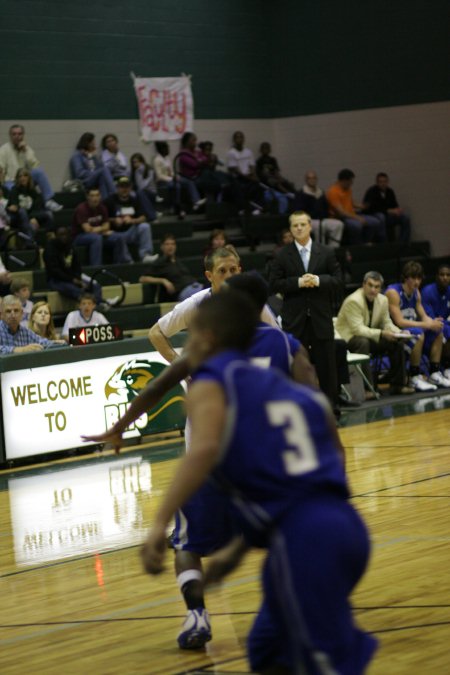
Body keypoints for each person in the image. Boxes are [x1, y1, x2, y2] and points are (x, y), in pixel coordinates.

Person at [136, 292, 377, 673]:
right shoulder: (294, 387)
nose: (191, 343)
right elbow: (330, 455)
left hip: (305, 539)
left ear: (211, 335)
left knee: (323, 660)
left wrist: (155, 526)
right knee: (265, 648)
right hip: (339, 525)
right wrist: (231, 556)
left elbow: (201, 451)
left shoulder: (218, 382)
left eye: (195, 334)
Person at [84, 274, 317, 654]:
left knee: (187, 544)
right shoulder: (284, 343)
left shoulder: (211, 346)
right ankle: (295, 610)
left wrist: (119, 427)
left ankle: (197, 614)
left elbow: (158, 386)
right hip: (268, 465)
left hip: (217, 463)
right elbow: (316, 406)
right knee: (286, 541)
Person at [269, 211, 342, 408]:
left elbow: (339, 280)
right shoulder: (282, 254)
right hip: (295, 321)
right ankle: (299, 410)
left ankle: (331, 410)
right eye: (295, 225)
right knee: (297, 367)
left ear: (310, 226)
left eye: (302, 224)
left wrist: (318, 280)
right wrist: (298, 282)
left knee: (327, 368)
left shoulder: (326, 252)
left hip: (320, 319)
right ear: (291, 229)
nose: (299, 228)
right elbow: (274, 284)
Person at [336, 271, 414, 395]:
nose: (373, 290)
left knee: (396, 342)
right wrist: (383, 334)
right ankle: (368, 388)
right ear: (363, 285)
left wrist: (399, 332)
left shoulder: (382, 300)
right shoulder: (353, 301)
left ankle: (398, 385)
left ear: (380, 288)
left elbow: (386, 322)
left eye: (376, 287)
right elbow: (358, 329)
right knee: (362, 342)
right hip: (348, 338)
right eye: (370, 285)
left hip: (370, 336)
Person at [386, 261, 450, 390]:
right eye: (413, 278)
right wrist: (425, 324)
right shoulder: (393, 292)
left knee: (438, 330)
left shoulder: (416, 293)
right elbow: (399, 322)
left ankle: (434, 373)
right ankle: (414, 377)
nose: (417, 282)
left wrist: (432, 323)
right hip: (394, 332)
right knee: (418, 333)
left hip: (411, 330)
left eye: (419, 278)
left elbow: (423, 315)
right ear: (405, 277)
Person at [0, 124, 62, 211]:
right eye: (14, 134)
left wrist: (25, 151)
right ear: (10, 136)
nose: (17, 136)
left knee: (39, 172)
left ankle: (48, 201)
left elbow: (35, 165)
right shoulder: (4, 150)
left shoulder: (27, 149)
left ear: (23, 135)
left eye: (19, 134)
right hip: (11, 181)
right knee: (11, 188)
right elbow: (0, 169)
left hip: (26, 178)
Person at [43, 224, 103, 305]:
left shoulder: (70, 246)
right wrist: (72, 280)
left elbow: (77, 265)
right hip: (56, 280)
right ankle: (88, 306)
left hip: (73, 277)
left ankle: (96, 305)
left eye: (65, 234)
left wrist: (78, 278)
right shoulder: (49, 249)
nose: (63, 237)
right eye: (61, 235)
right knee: (76, 290)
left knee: (95, 285)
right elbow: (54, 271)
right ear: (56, 236)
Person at [104, 176, 157, 263]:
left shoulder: (134, 200)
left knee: (145, 226)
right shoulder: (109, 201)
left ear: (130, 188)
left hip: (130, 232)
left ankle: (145, 255)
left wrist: (132, 220)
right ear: (117, 188)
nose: (124, 189)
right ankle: (127, 261)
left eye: (127, 187)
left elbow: (143, 217)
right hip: (115, 233)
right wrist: (114, 220)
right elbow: (102, 217)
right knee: (119, 238)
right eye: (122, 187)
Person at [327, 169, 385, 244]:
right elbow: (341, 212)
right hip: (341, 218)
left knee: (375, 222)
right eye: (350, 181)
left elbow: (350, 202)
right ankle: (357, 246)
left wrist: (362, 206)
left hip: (352, 214)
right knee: (357, 226)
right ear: (344, 180)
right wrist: (358, 218)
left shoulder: (347, 189)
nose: (352, 183)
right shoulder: (333, 192)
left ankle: (365, 242)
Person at [139, 234, 204, 302]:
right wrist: (163, 280)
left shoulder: (177, 260)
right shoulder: (160, 262)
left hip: (196, 286)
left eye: (173, 244)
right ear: (162, 247)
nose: (170, 246)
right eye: (167, 244)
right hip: (184, 292)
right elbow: (142, 279)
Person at [72, 187, 128, 266]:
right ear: (87, 197)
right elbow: (87, 229)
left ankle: (118, 265)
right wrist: (101, 229)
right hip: (79, 236)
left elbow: (107, 226)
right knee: (96, 238)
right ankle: (96, 267)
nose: (95, 198)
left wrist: (97, 230)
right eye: (92, 196)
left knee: (120, 237)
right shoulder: (81, 209)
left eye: (97, 195)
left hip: (98, 234)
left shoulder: (102, 208)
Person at [294, 170, 344, 247]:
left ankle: (333, 248)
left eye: (314, 178)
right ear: (306, 180)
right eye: (309, 178)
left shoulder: (321, 193)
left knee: (338, 224)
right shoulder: (301, 194)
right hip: (308, 220)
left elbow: (326, 207)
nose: (312, 180)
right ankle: (320, 248)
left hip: (322, 219)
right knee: (320, 226)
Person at [419, 263, 450, 380]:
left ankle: (447, 368)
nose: (445, 277)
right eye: (442, 274)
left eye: (448, 275)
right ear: (437, 276)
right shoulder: (427, 292)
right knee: (444, 329)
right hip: (429, 329)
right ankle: (439, 369)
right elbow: (431, 320)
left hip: (444, 326)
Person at [363, 172, 411, 243]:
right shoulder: (372, 191)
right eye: (381, 182)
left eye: (385, 181)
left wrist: (397, 210)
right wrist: (389, 211)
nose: (383, 184)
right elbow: (372, 208)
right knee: (381, 216)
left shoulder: (390, 191)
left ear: (387, 182)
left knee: (405, 218)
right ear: (377, 183)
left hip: (388, 217)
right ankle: (384, 243)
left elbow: (395, 205)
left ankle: (402, 243)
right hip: (375, 216)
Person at [226, 131, 265, 215]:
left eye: (241, 137)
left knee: (258, 185)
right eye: (237, 137)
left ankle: (257, 208)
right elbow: (235, 170)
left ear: (244, 139)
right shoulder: (231, 153)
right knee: (237, 186)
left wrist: (254, 175)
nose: (239, 139)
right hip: (238, 177)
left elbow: (252, 166)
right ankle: (242, 209)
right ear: (234, 140)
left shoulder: (248, 152)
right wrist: (248, 177)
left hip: (249, 176)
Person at [7, 168, 53, 238]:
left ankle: (49, 240)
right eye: (20, 176)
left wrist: (34, 217)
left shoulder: (33, 191)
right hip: (18, 217)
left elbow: (37, 206)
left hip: (31, 215)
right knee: (23, 213)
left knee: (49, 214)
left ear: (29, 177)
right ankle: (30, 241)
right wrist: (30, 218)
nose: (23, 178)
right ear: (17, 178)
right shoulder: (14, 190)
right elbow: (15, 207)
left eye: (25, 175)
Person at [70, 133, 116, 200]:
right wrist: (94, 173)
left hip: (95, 179)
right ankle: (115, 195)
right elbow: (79, 173)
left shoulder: (92, 155)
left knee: (102, 179)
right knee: (104, 170)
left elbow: (101, 167)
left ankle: (105, 204)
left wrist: (95, 157)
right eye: (93, 143)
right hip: (84, 181)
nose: (94, 145)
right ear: (87, 143)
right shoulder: (77, 156)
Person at [256, 141, 294, 214]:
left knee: (285, 181)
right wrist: (274, 177)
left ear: (270, 150)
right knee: (273, 180)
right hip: (266, 180)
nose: (265, 150)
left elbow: (276, 172)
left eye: (267, 148)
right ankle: (286, 193)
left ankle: (293, 193)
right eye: (263, 148)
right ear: (261, 150)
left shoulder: (273, 159)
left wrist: (281, 179)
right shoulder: (259, 161)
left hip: (274, 177)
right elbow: (262, 174)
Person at [152, 141, 186, 219]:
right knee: (176, 186)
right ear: (162, 149)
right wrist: (171, 179)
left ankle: (195, 200)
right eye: (167, 148)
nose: (168, 150)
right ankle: (177, 206)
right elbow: (159, 176)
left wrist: (175, 176)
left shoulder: (167, 158)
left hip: (170, 179)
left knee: (187, 182)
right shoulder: (157, 160)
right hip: (161, 182)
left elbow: (171, 171)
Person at [177, 132, 212, 206]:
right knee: (207, 178)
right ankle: (198, 202)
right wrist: (201, 160)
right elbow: (195, 165)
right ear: (187, 142)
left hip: (199, 177)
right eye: (193, 140)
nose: (195, 142)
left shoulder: (196, 152)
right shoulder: (183, 154)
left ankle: (213, 203)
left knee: (211, 178)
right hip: (190, 178)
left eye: (196, 140)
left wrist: (201, 160)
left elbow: (206, 159)